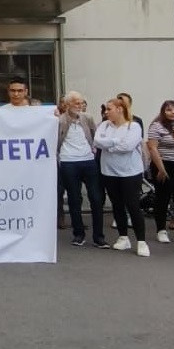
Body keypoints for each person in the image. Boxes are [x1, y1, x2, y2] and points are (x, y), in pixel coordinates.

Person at [95, 97, 149, 257]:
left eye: (109, 109)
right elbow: (97, 142)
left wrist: (109, 145)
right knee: (117, 205)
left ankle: (141, 241)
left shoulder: (133, 126)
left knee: (133, 205)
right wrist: (116, 141)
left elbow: (128, 146)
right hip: (109, 171)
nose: (106, 112)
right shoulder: (104, 125)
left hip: (130, 172)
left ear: (120, 109)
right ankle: (123, 237)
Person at [58, 91, 105, 248]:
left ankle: (99, 236)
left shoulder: (87, 118)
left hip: (88, 160)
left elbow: (94, 135)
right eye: (76, 103)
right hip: (68, 161)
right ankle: (78, 234)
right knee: (74, 198)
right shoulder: (60, 120)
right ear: (67, 104)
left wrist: (93, 151)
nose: (79, 106)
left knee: (96, 198)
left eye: (81, 103)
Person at [147, 100, 174, 244]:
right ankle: (161, 230)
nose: (173, 112)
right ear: (163, 111)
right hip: (163, 165)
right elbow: (153, 148)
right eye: (169, 110)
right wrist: (161, 169)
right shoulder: (156, 126)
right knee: (162, 198)